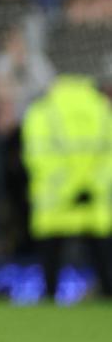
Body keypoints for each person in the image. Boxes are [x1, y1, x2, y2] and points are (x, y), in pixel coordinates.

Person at [20, 74, 112, 300]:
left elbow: (36, 156)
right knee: (102, 260)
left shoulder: (42, 111)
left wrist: (66, 190)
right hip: (94, 201)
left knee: (51, 267)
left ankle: (50, 295)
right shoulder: (102, 109)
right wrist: (90, 186)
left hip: (54, 203)